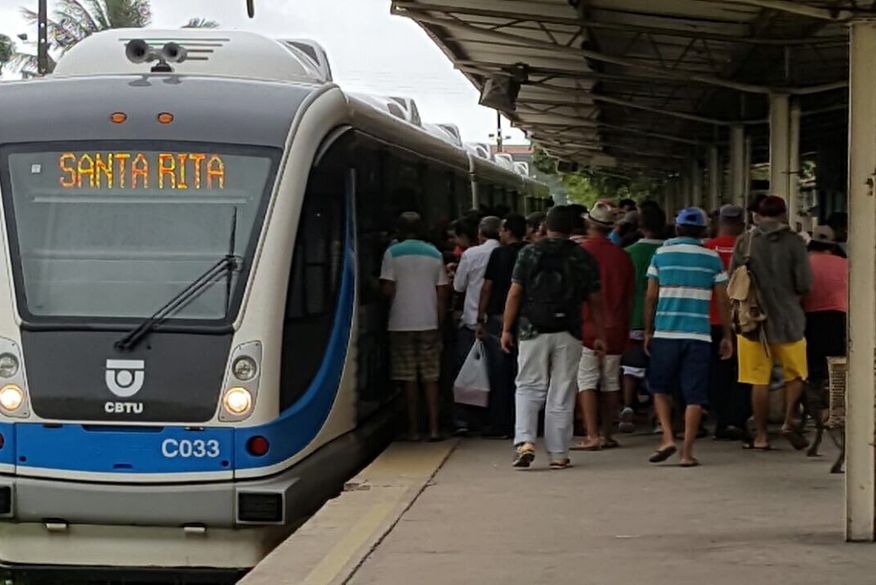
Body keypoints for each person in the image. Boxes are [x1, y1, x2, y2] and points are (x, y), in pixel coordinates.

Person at [501, 206, 605, 469]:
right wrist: (600, 333)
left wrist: (505, 328)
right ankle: (559, 453)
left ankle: (525, 441)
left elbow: (515, 293)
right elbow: (595, 300)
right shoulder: (583, 257)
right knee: (562, 389)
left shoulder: (529, 252)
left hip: (532, 329)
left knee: (528, 385)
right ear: (573, 229)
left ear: (545, 227)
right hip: (569, 331)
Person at [644, 207, 733, 467]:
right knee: (694, 394)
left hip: (666, 332)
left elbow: (651, 296)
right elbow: (723, 300)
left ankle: (668, 437)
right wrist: (727, 335)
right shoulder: (712, 258)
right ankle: (687, 452)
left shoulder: (660, 254)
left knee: (659, 387)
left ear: (677, 228)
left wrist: (648, 330)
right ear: (704, 231)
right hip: (699, 335)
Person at [730, 195, 812, 451]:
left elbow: (733, 281)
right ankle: (789, 421)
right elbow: (804, 284)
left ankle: (762, 436)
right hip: (789, 320)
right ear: (784, 214)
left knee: (759, 380)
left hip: (753, 323)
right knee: (796, 374)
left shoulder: (745, 242)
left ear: (757, 215)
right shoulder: (795, 242)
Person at [380, 212, 450, 441]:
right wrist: (439, 324)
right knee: (431, 378)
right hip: (429, 322)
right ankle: (434, 428)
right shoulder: (435, 254)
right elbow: (442, 294)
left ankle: (413, 430)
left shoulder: (391, 254)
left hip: (400, 323)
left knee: (408, 379)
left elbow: (388, 291)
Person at [574, 201, 634, 450]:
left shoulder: (579, 254)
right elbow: (630, 297)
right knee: (611, 381)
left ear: (588, 224)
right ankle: (608, 433)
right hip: (615, 328)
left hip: (585, 327)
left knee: (586, 380)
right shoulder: (622, 256)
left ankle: (592, 434)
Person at [476, 214, 528, 438]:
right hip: (525, 319)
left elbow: (487, 287)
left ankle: (501, 424)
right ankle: (524, 421)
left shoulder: (499, 254)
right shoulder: (529, 252)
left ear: (507, 231)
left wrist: (480, 318)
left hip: (499, 317)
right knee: (524, 373)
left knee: (500, 373)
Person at [704, 205, 750, 441]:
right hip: (745, 319)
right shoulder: (750, 248)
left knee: (716, 374)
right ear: (743, 223)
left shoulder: (707, 249)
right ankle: (737, 419)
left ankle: (722, 419)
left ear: (718, 223)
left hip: (712, 320)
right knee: (744, 373)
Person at [452, 216, 502, 434]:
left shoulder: (471, 254)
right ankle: (493, 419)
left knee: (467, 372)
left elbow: (459, 285)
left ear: (481, 233)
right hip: (500, 322)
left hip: (472, 322)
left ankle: (465, 420)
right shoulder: (508, 253)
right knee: (497, 373)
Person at [620, 204, 666, 433]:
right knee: (662, 369)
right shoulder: (668, 251)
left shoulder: (628, 253)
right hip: (665, 319)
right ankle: (660, 417)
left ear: (640, 225)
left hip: (634, 317)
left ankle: (628, 406)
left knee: (631, 366)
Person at [802, 225, 847, 392]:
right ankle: (834, 401)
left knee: (813, 367)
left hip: (810, 319)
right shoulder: (846, 264)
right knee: (836, 365)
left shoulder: (804, 263)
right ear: (833, 246)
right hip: (840, 318)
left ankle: (814, 404)